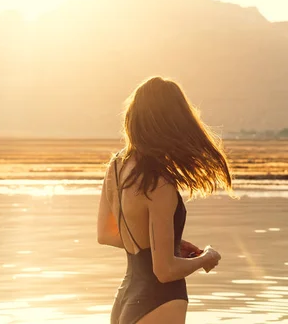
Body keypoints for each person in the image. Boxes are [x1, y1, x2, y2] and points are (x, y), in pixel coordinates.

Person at [97, 76, 233, 323]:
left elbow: (105, 234)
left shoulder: (116, 166)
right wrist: (206, 259)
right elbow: (165, 271)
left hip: (125, 300)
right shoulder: (159, 183)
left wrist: (170, 244)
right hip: (159, 301)